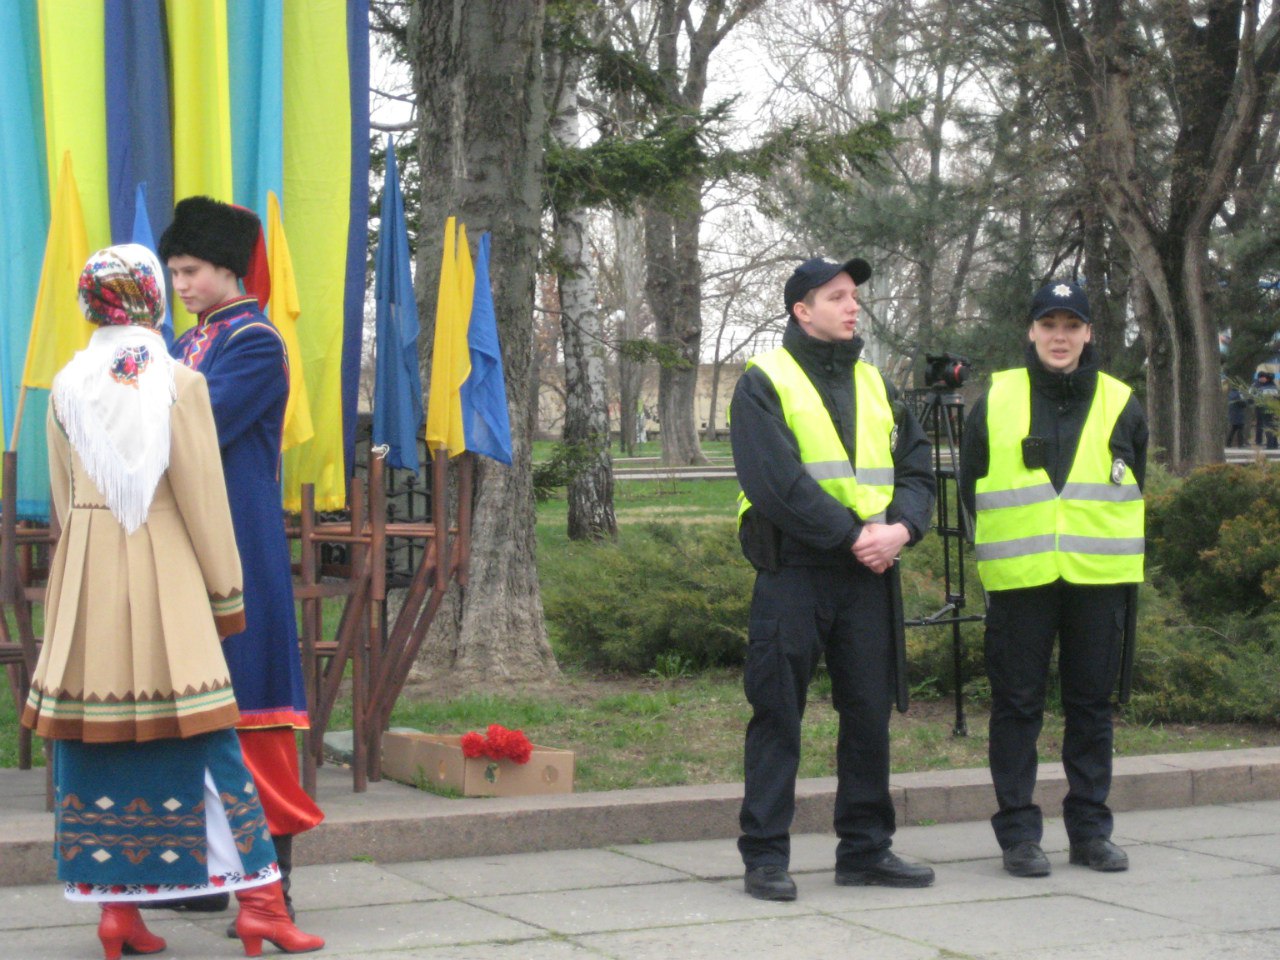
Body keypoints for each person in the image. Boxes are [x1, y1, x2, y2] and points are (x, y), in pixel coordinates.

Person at [21, 245, 323, 958]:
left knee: (98, 746)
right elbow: (202, 500)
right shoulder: (179, 383)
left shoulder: (66, 383)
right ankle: (261, 906)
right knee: (209, 741)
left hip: (88, 579)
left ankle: (117, 915)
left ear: (91, 302)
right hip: (166, 575)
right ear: (151, 298)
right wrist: (226, 595)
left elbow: (65, 500)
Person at [730, 256, 936, 901]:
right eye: (837, 296)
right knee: (777, 715)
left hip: (870, 574)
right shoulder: (764, 381)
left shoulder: (878, 383)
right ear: (802, 310)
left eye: (853, 297)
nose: (852, 307)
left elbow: (920, 469)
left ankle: (867, 850)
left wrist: (902, 528)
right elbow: (776, 483)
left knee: (870, 715)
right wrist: (855, 536)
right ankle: (765, 857)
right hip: (794, 570)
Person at [158, 197, 323, 925]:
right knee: (191, 705)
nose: (180, 285)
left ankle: (270, 882)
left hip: (241, 547)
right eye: (172, 272)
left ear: (228, 268)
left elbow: (190, 427)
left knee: (252, 704)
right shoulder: (191, 341)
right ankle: (202, 870)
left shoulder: (254, 342)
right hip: (191, 542)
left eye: (190, 270)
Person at [959, 279, 1147, 879]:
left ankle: (1090, 831)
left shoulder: (1122, 401)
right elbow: (971, 483)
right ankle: (1019, 834)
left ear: (1090, 333)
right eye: (1049, 324)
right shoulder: (998, 397)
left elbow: (1134, 483)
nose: (1059, 336)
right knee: (1017, 707)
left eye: (1071, 325)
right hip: (1020, 579)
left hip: (1098, 579)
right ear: (1031, 331)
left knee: (1091, 707)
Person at [1252, 370, 1278, 449]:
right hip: (1272, 408)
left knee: (1267, 425)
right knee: (1272, 425)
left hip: (1263, 408)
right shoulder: (1274, 386)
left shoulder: (1261, 387)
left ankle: (1270, 444)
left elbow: (1253, 396)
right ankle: (1274, 443)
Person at [1226, 382, 1248, 448]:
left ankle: (1228, 443)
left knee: (1233, 429)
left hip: (1232, 414)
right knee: (1240, 429)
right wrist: (1246, 401)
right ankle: (1240, 444)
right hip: (1239, 414)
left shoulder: (1230, 394)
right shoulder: (1239, 394)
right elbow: (1243, 404)